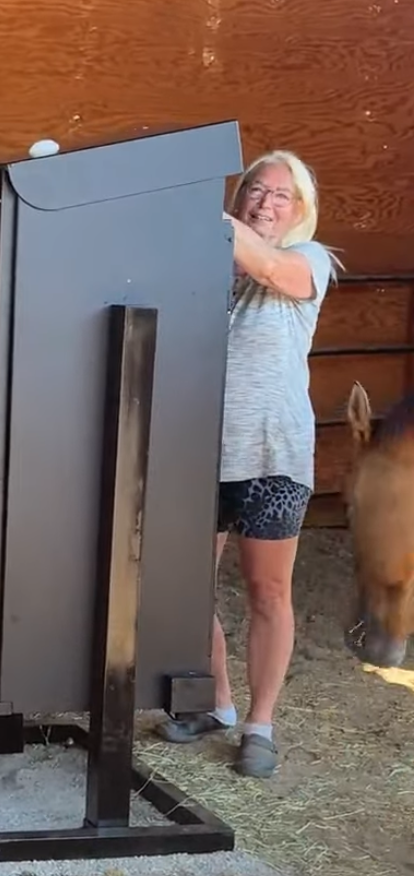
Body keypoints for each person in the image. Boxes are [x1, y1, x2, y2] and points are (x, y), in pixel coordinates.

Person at [158, 149, 339, 779]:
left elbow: (266, 264)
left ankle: (261, 725)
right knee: (187, 589)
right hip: (199, 451)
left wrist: (178, 202)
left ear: (301, 212)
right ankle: (221, 706)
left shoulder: (308, 262)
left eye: (280, 196)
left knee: (268, 592)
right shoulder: (205, 268)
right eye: (254, 192)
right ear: (238, 201)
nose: (264, 202)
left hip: (273, 456)